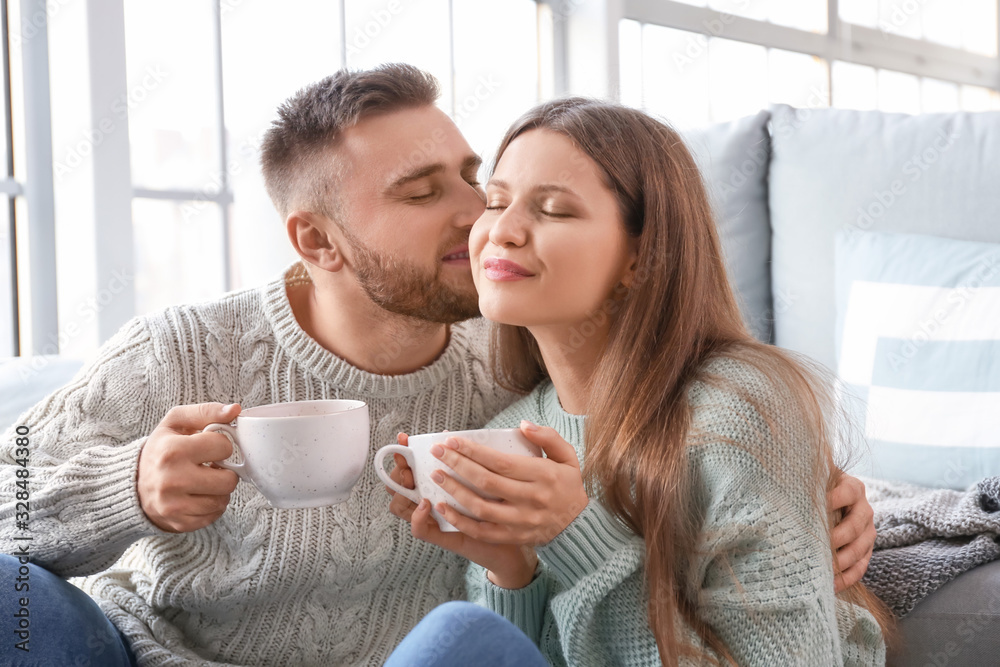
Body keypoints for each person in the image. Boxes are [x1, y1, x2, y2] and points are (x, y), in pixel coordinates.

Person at [0, 65, 874, 666]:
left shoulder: (506, 387)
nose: (476, 218)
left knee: (463, 633)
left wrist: (832, 504)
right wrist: (132, 486)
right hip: (147, 652)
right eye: (425, 194)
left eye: (473, 180)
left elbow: (690, 446)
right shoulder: (184, 349)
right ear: (316, 240)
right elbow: (10, 487)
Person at [386, 97, 892, 666]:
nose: (501, 230)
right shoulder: (510, 431)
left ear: (639, 257)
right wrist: (510, 570)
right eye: (496, 202)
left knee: (455, 634)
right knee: (465, 634)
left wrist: (576, 534)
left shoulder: (740, 408)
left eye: (553, 209)